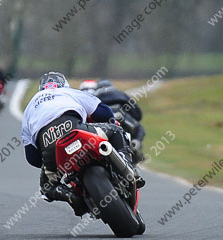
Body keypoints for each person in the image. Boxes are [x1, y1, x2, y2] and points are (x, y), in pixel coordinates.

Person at [21, 72, 144, 217]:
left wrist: (52, 162)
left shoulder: (29, 108)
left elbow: (32, 157)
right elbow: (103, 112)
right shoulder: (67, 92)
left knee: (47, 188)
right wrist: (110, 122)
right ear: (63, 84)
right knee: (116, 131)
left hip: (48, 143)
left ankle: (73, 198)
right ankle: (130, 171)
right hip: (74, 128)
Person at [93, 79, 146, 164]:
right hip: (122, 120)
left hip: (103, 125)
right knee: (139, 128)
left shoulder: (93, 97)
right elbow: (137, 115)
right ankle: (135, 144)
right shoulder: (122, 95)